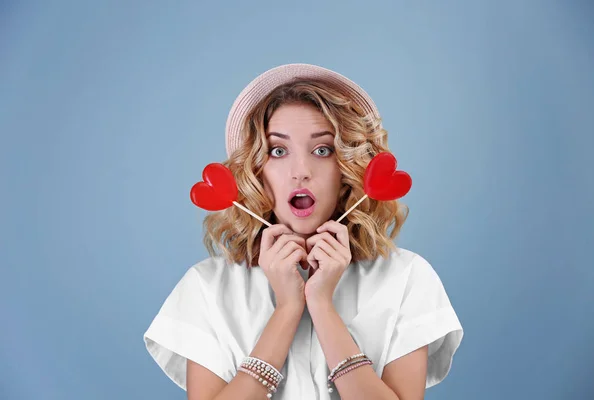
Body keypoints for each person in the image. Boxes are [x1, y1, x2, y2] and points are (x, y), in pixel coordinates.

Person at [143, 63, 464, 400]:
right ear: (256, 170)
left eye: (322, 150)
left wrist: (322, 305)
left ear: (347, 168)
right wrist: (287, 309)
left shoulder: (407, 278)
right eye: (278, 151)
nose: (301, 172)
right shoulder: (206, 287)